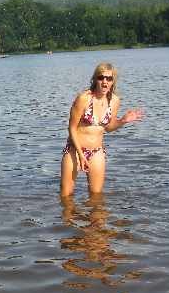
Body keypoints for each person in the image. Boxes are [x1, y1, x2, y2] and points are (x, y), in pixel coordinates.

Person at [60, 63, 144, 196]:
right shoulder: (84, 99)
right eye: (101, 77)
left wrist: (123, 121)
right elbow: (72, 128)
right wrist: (81, 155)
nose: (105, 81)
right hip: (75, 150)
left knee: (96, 197)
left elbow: (108, 128)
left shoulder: (114, 101)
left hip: (97, 151)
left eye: (109, 78)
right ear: (95, 79)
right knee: (66, 195)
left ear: (113, 81)